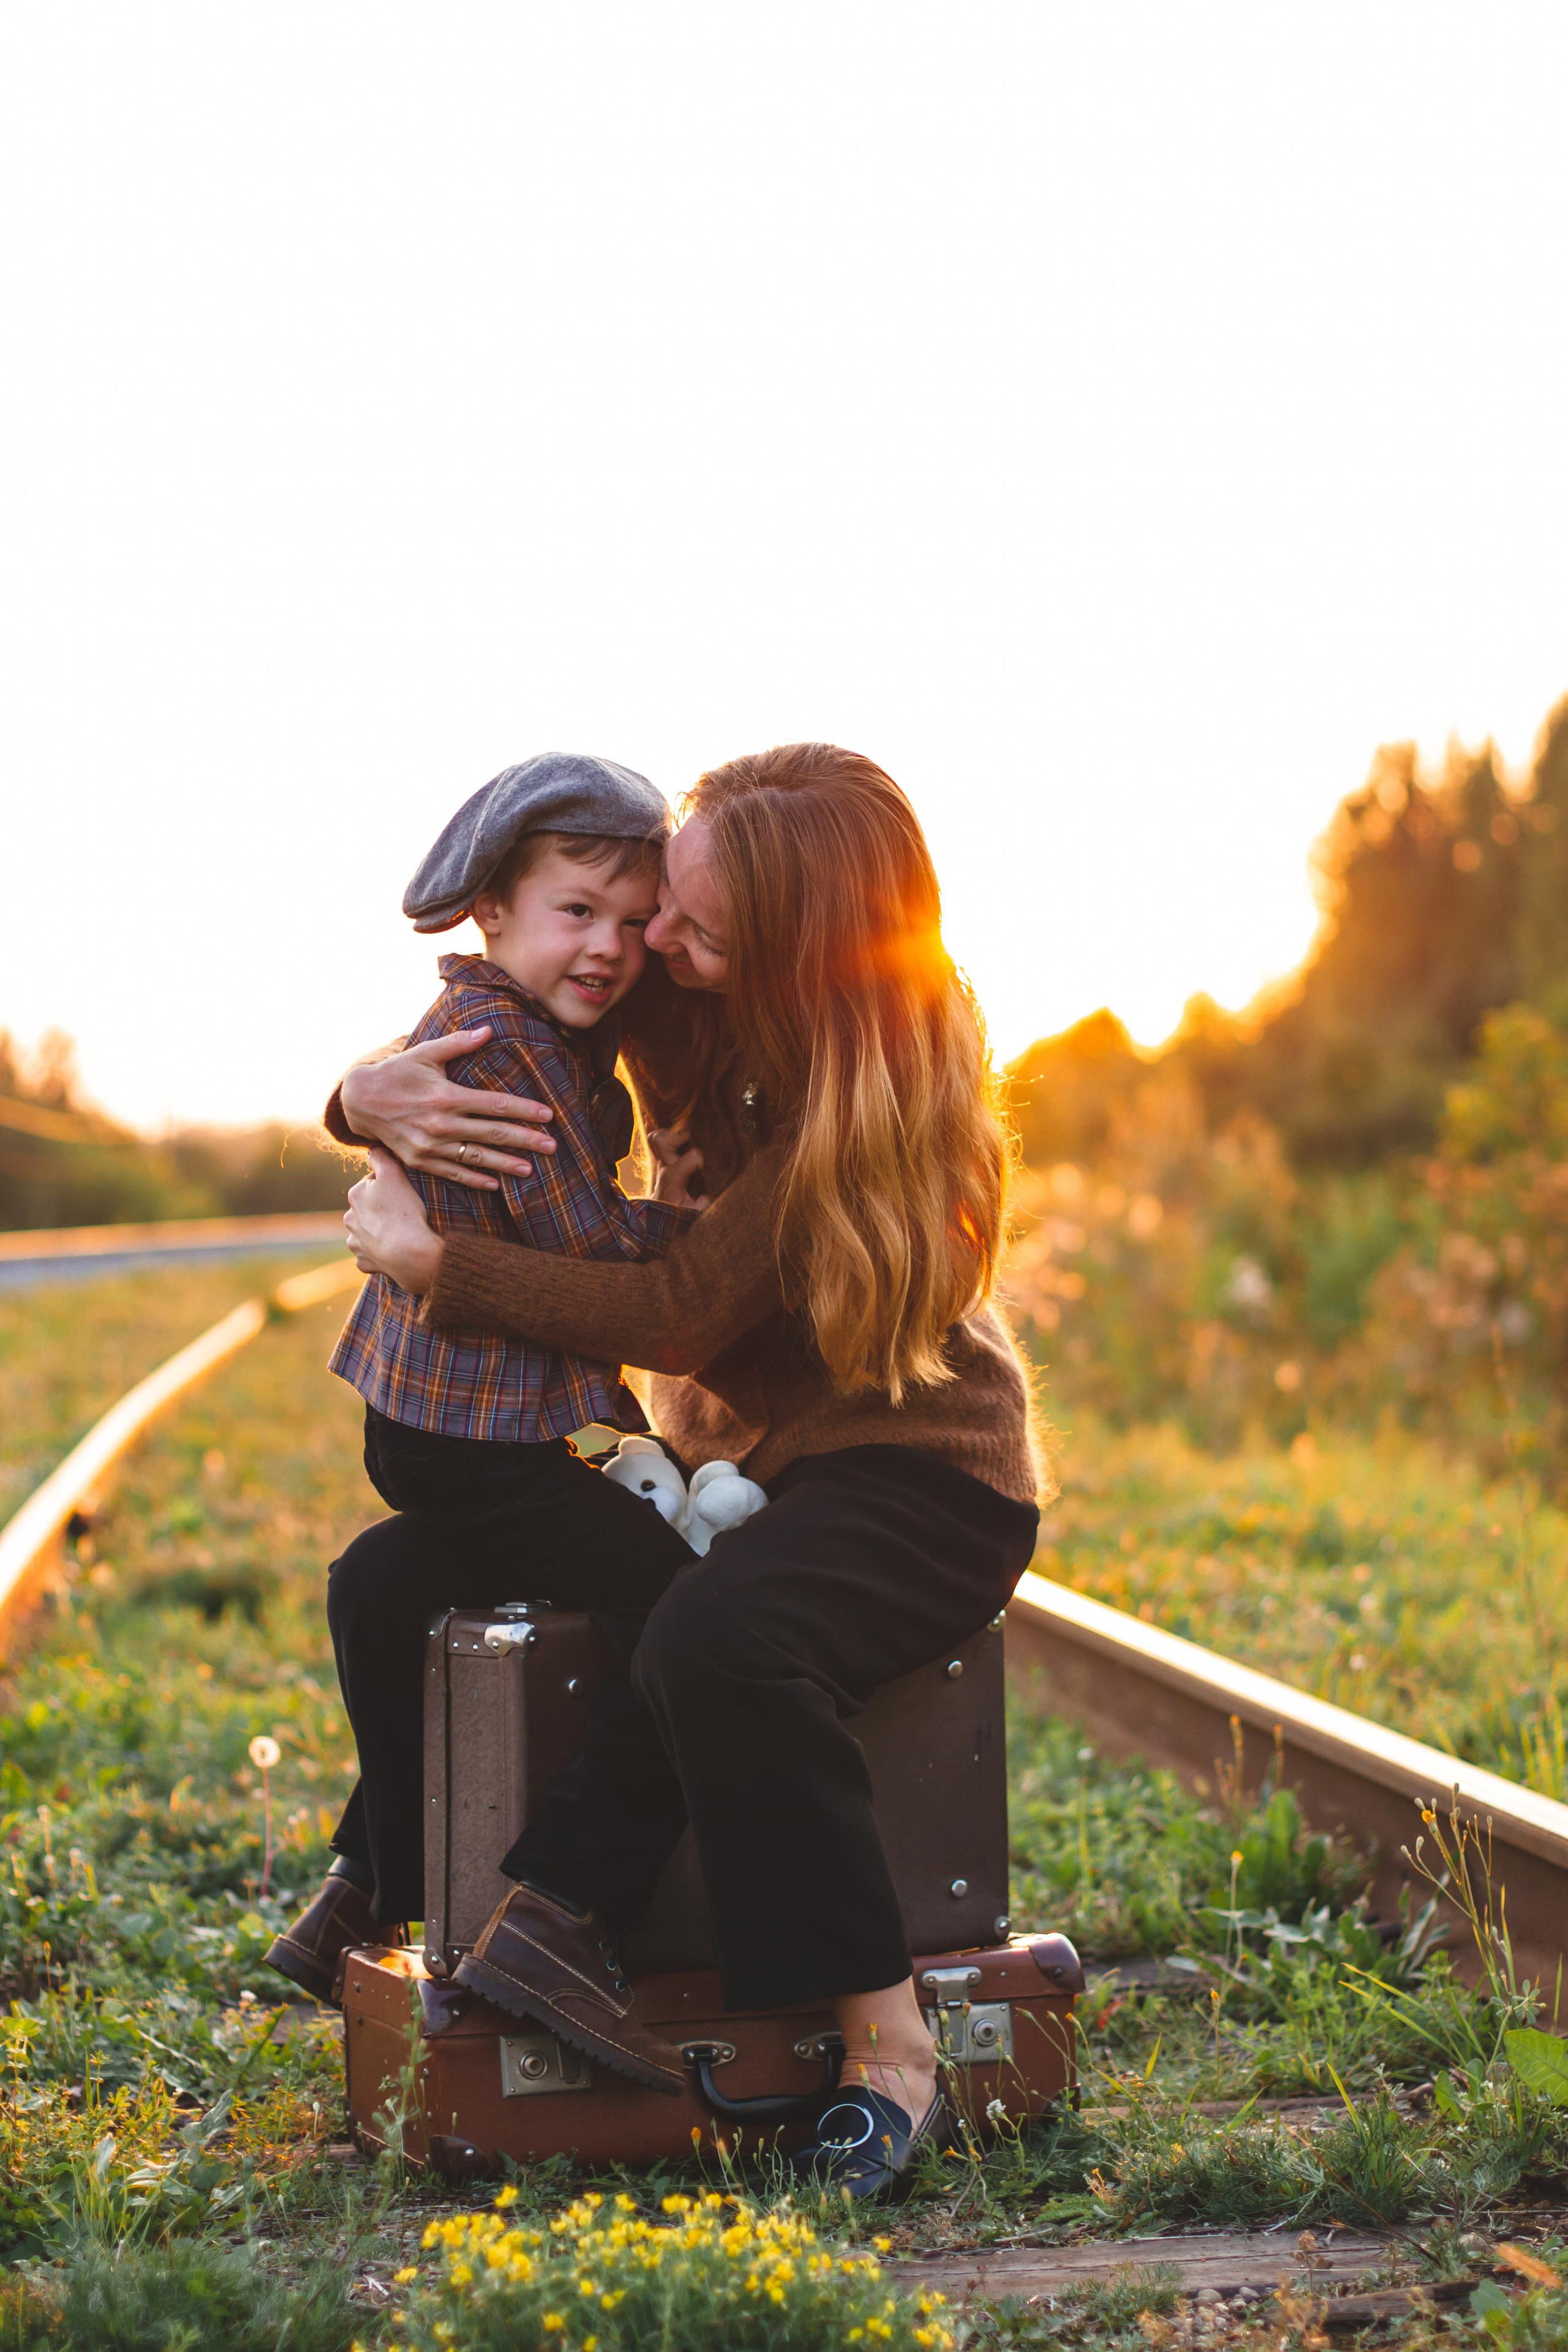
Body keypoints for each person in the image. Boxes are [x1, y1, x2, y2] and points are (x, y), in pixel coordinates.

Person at [326, 744, 1044, 2199]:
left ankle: (885, 2048)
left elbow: (673, 1315)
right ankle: (422, 1914)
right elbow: (511, 989)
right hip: (735, 1470)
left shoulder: (870, 1095)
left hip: (916, 1476)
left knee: (719, 1639)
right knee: (389, 1574)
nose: (652, 944)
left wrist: (434, 1264)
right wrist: (361, 1096)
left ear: (792, 951)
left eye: (693, 926)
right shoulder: (677, 984)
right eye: (662, 910)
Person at [265, 752, 707, 2002]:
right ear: (490, 914)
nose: (609, 947)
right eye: (577, 912)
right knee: (677, 1607)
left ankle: (365, 1878)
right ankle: (562, 1902)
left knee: (389, 1577)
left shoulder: (514, 1026)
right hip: (487, 1441)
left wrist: (352, 1094)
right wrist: (733, 1246)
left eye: (632, 922)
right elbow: (588, 1240)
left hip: (440, 1433)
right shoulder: (508, 1058)